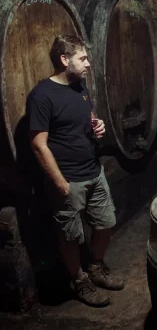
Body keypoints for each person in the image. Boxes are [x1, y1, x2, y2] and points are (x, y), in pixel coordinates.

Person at [27, 35, 124, 308]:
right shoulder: (41, 96)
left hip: (93, 171)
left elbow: (86, 121)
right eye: (83, 58)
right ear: (64, 60)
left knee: (106, 222)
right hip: (69, 179)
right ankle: (80, 281)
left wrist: (98, 127)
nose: (89, 64)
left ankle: (95, 266)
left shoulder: (79, 86)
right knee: (70, 237)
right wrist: (60, 182)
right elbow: (38, 145)